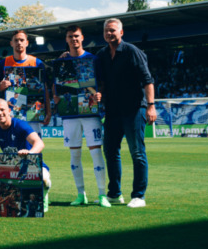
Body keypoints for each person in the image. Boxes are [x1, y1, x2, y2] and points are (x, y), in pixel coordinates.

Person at [94, 17, 156, 208]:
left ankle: (139, 196)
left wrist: (151, 105)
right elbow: (101, 82)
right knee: (110, 151)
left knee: (137, 152)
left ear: (121, 32)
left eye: (113, 30)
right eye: (106, 31)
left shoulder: (132, 52)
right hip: (112, 111)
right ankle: (115, 193)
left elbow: (147, 80)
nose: (109, 33)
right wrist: (100, 94)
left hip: (134, 109)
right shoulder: (102, 54)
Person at [53, 24, 110, 207]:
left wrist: (100, 93)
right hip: (70, 114)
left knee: (96, 152)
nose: (73, 39)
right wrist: (56, 97)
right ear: (66, 39)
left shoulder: (93, 59)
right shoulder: (61, 61)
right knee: (74, 155)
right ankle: (80, 194)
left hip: (90, 111)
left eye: (76, 36)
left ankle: (102, 194)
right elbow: (57, 85)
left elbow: (102, 82)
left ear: (82, 37)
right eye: (70, 36)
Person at [0, 97, 51, 210]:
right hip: (10, 171)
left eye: (2, 109)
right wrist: (4, 166)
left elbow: (39, 143)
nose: (0, 113)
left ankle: (43, 195)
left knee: (45, 178)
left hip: (29, 166)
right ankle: (11, 192)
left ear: (9, 110)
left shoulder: (19, 125)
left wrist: (29, 153)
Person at [0, 29, 50, 130]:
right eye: (16, 40)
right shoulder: (3, 63)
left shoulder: (37, 63)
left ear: (27, 43)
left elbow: (44, 89)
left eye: (21, 40)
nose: (19, 43)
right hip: (11, 116)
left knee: (34, 144)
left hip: (32, 115)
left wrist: (48, 112)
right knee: (14, 145)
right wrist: (0, 86)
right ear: (11, 43)